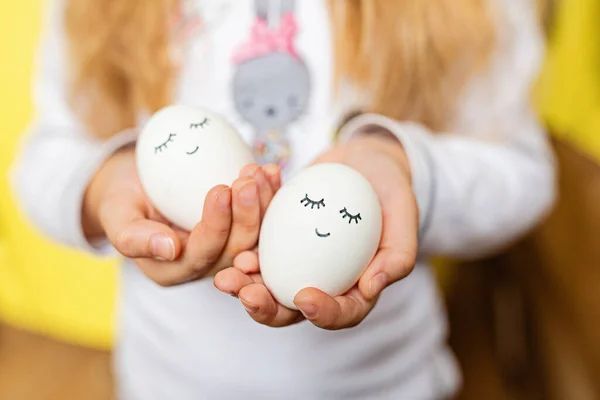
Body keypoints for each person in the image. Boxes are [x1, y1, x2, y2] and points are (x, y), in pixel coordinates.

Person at [11, 0, 556, 398]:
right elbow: (44, 157)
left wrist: (405, 167)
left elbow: (523, 173)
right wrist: (105, 183)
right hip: (166, 385)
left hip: (389, 386)